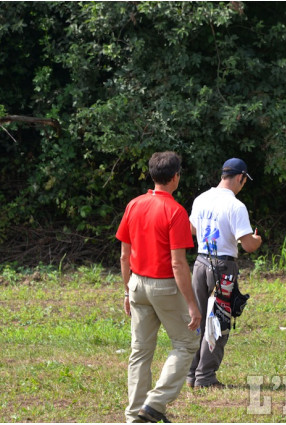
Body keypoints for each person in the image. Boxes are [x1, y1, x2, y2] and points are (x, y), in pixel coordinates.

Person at [116, 151, 202, 423]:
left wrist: (128, 290)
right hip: (164, 286)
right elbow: (178, 264)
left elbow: (123, 255)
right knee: (187, 343)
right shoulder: (175, 211)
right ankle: (154, 405)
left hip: (137, 283)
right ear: (175, 177)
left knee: (140, 351)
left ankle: (134, 415)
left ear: (152, 175)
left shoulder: (134, 205)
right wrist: (191, 304)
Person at [186, 158, 262, 389]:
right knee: (218, 321)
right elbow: (248, 245)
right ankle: (206, 378)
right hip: (223, 267)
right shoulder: (235, 206)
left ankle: (191, 374)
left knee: (197, 319)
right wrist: (257, 239)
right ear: (240, 177)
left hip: (200, 263)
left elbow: (191, 230)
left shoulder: (201, 198)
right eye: (244, 181)